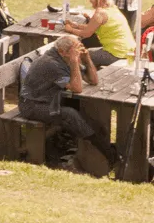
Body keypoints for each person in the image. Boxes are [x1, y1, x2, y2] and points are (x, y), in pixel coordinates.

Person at [17, 34, 101, 168]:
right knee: (69, 114)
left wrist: (87, 59)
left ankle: (87, 145)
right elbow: (77, 88)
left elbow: (93, 80)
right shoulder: (52, 64)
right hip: (32, 105)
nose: (79, 52)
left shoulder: (65, 57)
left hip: (48, 101)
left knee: (82, 107)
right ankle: (95, 146)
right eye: (76, 50)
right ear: (63, 52)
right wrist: (74, 62)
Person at [65, 0, 135, 67]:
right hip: (128, 51)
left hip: (116, 53)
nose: (89, 0)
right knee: (88, 52)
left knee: (78, 56)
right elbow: (92, 27)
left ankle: (83, 77)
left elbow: (86, 34)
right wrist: (76, 25)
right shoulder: (113, 9)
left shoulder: (100, 13)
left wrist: (71, 30)